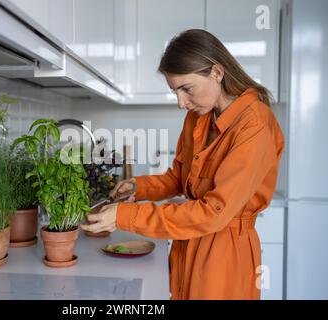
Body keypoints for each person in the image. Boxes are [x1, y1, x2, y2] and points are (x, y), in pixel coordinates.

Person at [80, 29, 285, 300]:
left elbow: (214, 213)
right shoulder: (198, 117)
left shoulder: (255, 125)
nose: (180, 103)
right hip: (188, 242)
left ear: (217, 72)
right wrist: (138, 187)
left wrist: (124, 216)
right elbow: (180, 178)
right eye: (175, 91)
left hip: (226, 256)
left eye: (186, 89)